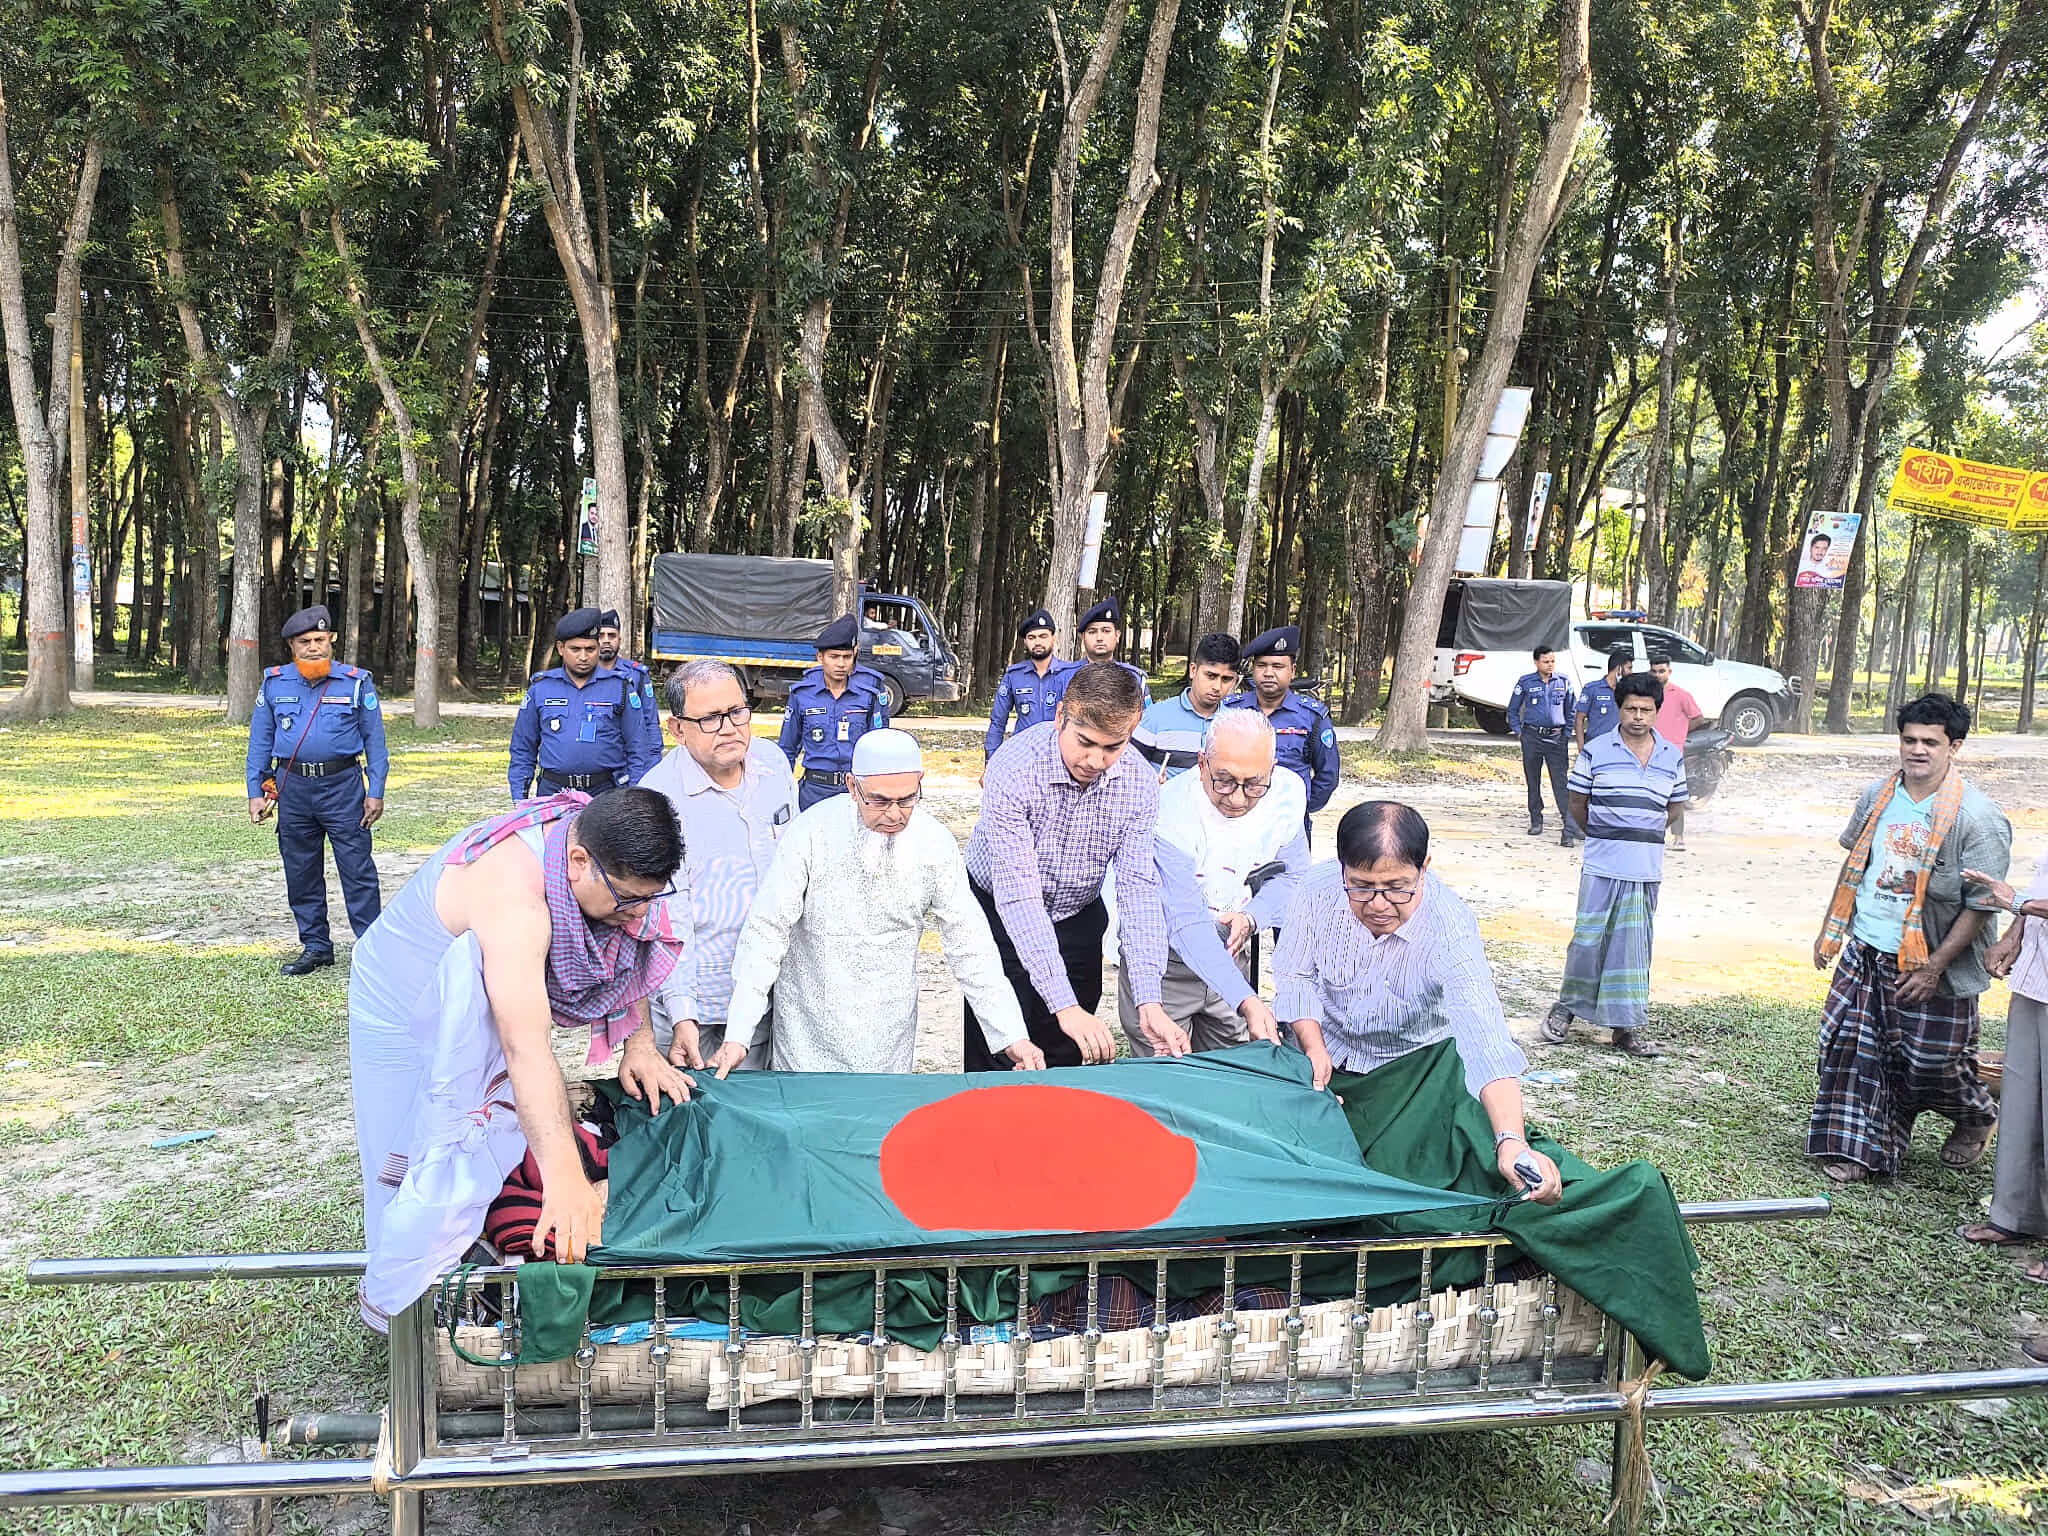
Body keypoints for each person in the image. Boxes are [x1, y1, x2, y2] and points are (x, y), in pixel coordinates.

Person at [1272, 799, 1713, 1383]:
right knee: (1296, 1185)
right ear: (1341, 869)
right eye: (1363, 888)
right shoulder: (1315, 892)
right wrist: (1313, 1045)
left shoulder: (1450, 925)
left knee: (1455, 1182)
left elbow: (1483, 1039)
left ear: (1425, 866)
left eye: (1398, 888)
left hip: (1423, 1069)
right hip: (1324, 1068)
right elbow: (1295, 975)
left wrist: (1510, 1139)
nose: (1379, 905)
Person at [348, 787, 692, 1326]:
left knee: (499, 1136)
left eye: (651, 897)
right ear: (578, 864)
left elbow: (632, 936)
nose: (640, 914)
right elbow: (527, 1049)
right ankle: (407, 1312)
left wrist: (641, 1042)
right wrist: (566, 1183)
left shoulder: (595, 837)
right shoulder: (515, 902)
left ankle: (477, 1259)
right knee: (425, 1151)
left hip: (489, 990)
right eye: (628, 898)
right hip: (402, 1002)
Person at [712, 729, 1045, 1075]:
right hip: (807, 1031)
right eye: (880, 801)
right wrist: (738, 1034)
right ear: (852, 786)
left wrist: (1012, 1035)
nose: (895, 814)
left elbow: (971, 944)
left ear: (920, 783)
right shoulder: (811, 833)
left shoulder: (934, 843)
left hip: (889, 1033)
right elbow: (767, 932)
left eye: (906, 800)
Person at [1806, 693, 2011, 1184]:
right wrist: (1828, 929)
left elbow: (1981, 905)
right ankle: (1859, 1149)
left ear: (1953, 747)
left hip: (1936, 958)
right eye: (1909, 739)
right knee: (1857, 1049)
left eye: (1930, 742)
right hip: (1869, 946)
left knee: (1933, 1061)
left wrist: (1935, 965)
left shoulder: (1978, 818)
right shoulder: (1877, 796)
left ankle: (1976, 1113)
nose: (1916, 750)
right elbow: (1855, 864)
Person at [963, 661, 1185, 1070]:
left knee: (1066, 1050)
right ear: (1061, 715)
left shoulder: (1138, 783)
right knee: (997, 1047)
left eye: (1113, 746)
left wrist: (1149, 1000)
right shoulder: (1013, 768)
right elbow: (1019, 897)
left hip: (1077, 912)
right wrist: (1062, 1003)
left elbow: (1137, 892)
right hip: (997, 910)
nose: (1096, 760)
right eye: (1085, 742)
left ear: (1134, 727)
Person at [638, 659, 800, 1072]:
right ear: (677, 729)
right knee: (690, 1119)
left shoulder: (773, 765)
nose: (729, 728)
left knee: (754, 1116)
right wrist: (682, 1013)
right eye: (710, 718)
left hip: (766, 988)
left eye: (737, 712)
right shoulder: (657, 799)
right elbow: (664, 917)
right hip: (696, 1000)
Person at [1121, 708, 1306, 1054]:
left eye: (1254, 784)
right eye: (1224, 780)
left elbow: (1294, 875)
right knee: (1166, 1076)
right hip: (1166, 966)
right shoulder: (1170, 810)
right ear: (1202, 763)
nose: (1237, 798)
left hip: (1231, 959)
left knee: (1229, 1072)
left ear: (1273, 769)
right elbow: (1185, 922)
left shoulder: (1287, 796)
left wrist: (1253, 918)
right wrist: (1247, 1001)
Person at [1542, 672, 1685, 1059]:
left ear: (1657, 711)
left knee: (1632, 948)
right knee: (1588, 940)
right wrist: (1606, 834)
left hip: (1645, 870)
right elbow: (1577, 803)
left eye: (1646, 709)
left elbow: (1674, 807)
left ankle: (1625, 1028)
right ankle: (1566, 1010)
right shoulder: (1597, 750)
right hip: (1602, 864)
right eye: (1630, 708)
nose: (1638, 716)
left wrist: (1640, 832)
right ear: (1619, 709)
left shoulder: (1672, 756)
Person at [246, 604, 388, 976]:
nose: (314, 648)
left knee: (357, 869)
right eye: (305, 642)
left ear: (332, 641)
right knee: (301, 869)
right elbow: (260, 740)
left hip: (343, 787)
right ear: (292, 646)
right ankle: (315, 946)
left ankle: (370, 948)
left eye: (321, 640)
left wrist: (376, 790)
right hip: (293, 788)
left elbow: (376, 742)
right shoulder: (275, 683)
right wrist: (255, 790)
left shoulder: (356, 682)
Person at [1957, 858, 2048, 1315]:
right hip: (2038, 980)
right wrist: (2015, 934)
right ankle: (2016, 1218)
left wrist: (2016, 902)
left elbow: (2028, 897)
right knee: (2023, 1107)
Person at [509, 608, 658, 800]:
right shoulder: (541, 689)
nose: (583, 657)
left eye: (590, 649)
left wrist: (636, 793)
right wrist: (519, 797)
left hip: (606, 791)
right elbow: (523, 747)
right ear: (561, 648)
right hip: (553, 791)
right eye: (575, 649)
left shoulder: (620, 688)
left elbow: (638, 748)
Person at [1224, 624, 1338, 835]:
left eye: (1277, 666)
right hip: (1235, 823)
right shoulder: (1230, 711)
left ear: (1292, 671)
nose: (1268, 673)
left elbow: (1328, 775)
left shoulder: (1312, 718)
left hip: (1289, 827)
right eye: (1261, 665)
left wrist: (1300, 807)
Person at [778, 613, 891, 810]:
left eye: (847, 657)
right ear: (820, 657)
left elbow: (879, 747)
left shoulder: (868, 694)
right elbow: (788, 748)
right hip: (815, 791)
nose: (841, 664)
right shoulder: (802, 695)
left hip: (855, 791)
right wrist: (779, 789)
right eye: (834, 657)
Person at [1133, 632, 1241, 779]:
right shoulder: (1154, 718)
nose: (1217, 686)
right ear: (1193, 670)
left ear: (1235, 680)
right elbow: (1130, 770)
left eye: (1226, 679)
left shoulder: (1235, 726)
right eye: (1211, 676)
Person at [1507, 644, 1578, 844]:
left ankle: (1569, 823)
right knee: (1533, 780)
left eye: (1552, 661)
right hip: (1532, 737)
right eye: (1546, 661)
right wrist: (1519, 732)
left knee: (1561, 782)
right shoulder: (1526, 682)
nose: (1550, 665)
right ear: (1536, 662)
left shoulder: (1563, 681)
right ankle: (1536, 820)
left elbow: (1571, 709)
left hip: (1557, 738)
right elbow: (1512, 709)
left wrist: (1566, 733)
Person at [984, 608, 1076, 759]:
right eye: (1032, 637)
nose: (1037, 642)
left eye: (1043, 636)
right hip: (1024, 756)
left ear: (1053, 638)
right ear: (1026, 641)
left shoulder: (1069, 674)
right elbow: (997, 722)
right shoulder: (1014, 676)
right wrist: (990, 760)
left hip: (1061, 756)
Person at [1648, 651, 1703, 852]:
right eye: (1654, 671)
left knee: (1676, 796)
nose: (1657, 675)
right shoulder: (1647, 695)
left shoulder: (1681, 695)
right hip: (1649, 752)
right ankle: (1654, 835)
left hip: (1673, 753)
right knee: (1652, 795)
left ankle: (1678, 837)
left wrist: (1681, 732)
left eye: (1661, 671)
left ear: (1669, 672)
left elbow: (1698, 717)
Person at [597, 608, 664, 769]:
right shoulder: (582, 676)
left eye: (611, 636)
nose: (606, 641)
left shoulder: (637, 675)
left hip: (629, 761)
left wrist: (654, 763)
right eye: (601, 635)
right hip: (596, 762)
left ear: (619, 639)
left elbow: (650, 721)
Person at [1077, 594, 1151, 691]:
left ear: (1117, 636)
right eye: (1092, 632)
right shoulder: (1064, 677)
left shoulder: (1134, 679)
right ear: (1083, 637)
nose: (1099, 638)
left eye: (1106, 631)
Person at [1573, 645, 1632, 753]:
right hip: (1595, 748)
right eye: (1629, 668)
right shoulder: (1592, 689)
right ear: (1619, 669)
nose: (1631, 672)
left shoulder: (1627, 691)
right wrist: (1581, 748)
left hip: (1621, 749)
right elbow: (1579, 719)